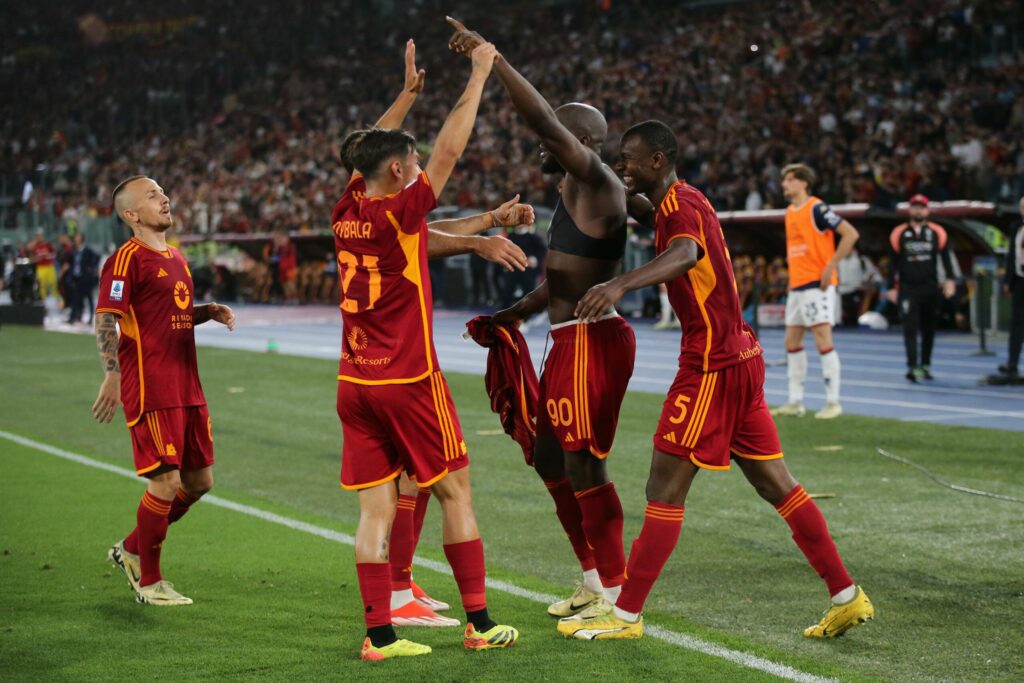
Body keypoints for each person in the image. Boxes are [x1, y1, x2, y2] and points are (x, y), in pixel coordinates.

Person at [561, 119, 872, 641]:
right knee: (777, 485)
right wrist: (595, 178)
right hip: (741, 356)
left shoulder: (680, 208)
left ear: (658, 160)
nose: (622, 166)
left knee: (663, 487)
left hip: (711, 365)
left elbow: (685, 253)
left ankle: (626, 615)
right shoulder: (683, 200)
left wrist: (619, 285)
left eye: (629, 159)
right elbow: (649, 213)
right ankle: (846, 595)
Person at [331, 40, 518, 661]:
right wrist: (480, 72)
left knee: (375, 511)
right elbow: (450, 150)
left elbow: (364, 152)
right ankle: (479, 623)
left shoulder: (349, 207)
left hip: (355, 382)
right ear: (396, 172)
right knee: (456, 493)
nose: (419, 169)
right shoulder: (400, 207)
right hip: (409, 378)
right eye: (409, 164)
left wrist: (407, 96)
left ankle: (379, 636)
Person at [449, 18, 637, 618]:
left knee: (585, 464)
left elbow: (543, 123)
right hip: (567, 337)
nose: (540, 144)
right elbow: (562, 281)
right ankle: (592, 580)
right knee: (551, 459)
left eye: (556, 131)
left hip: (591, 340)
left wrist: (493, 59)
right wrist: (510, 316)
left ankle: (616, 594)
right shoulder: (570, 194)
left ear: (580, 140)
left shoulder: (597, 179)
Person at [93, 175, 236, 606]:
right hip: (151, 386)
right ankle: (150, 581)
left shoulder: (175, 257)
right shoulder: (125, 259)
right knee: (166, 482)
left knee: (199, 481)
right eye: (153, 195)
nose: (165, 198)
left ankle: (131, 548)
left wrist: (205, 312)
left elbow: (169, 312)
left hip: (188, 385)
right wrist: (113, 375)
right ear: (131, 214)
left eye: (163, 192)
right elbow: (106, 318)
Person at [772, 163, 859, 419]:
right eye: (784, 180)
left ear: (803, 183)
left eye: (790, 179)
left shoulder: (817, 208)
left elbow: (850, 234)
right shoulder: (790, 212)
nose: (784, 184)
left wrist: (831, 265)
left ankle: (833, 402)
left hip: (816, 285)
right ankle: (795, 401)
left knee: (823, 340)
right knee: (791, 342)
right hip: (797, 286)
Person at [884, 194, 958, 381]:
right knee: (910, 327)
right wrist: (890, 287)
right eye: (915, 207)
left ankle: (925, 364)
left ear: (928, 210)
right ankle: (912, 366)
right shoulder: (899, 233)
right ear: (910, 209)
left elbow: (946, 258)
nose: (918, 210)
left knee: (929, 329)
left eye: (922, 207)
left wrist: (950, 280)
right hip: (908, 289)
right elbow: (892, 263)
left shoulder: (937, 232)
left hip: (930, 288)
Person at [998, 195, 1024, 379]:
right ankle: (1012, 364)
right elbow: (1011, 255)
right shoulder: (1015, 227)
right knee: (1016, 324)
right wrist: (1008, 281)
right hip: (1019, 280)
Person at [68, 233, 100, 324]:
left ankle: (91, 318)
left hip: (86, 278)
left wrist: (91, 269)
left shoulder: (87, 250)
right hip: (77, 277)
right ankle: (74, 317)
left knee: (89, 298)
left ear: (81, 240)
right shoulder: (74, 251)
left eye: (77, 238)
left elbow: (97, 258)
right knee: (76, 298)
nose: (75, 240)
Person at [29, 230, 58, 307]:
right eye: (37, 236)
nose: (39, 238)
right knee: (42, 286)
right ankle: (44, 304)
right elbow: (31, 258)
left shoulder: (47, 245)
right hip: (41, 268)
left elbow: (54, 255)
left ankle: (58, 301)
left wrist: (47, 256)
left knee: (53, 284)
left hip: (49, 266)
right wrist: (37, 258)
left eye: (40, 236)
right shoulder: (34, 247)